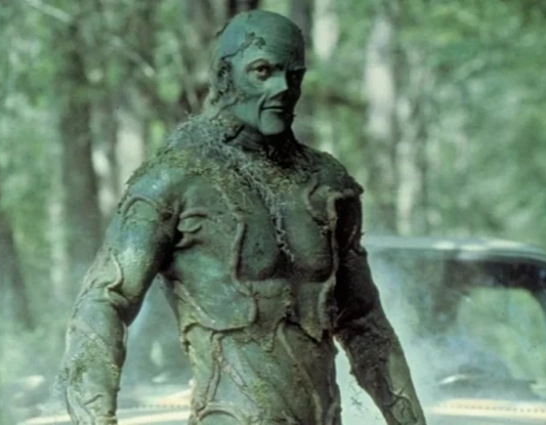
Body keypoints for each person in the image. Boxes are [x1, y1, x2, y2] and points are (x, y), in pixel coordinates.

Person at [59, 10, 426, 425]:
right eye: (263, 71)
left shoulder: (328, 184)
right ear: (224, 75)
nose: (282, 87)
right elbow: (103, 302)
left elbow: (365, 325)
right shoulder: (174, 179)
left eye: (294, 75)